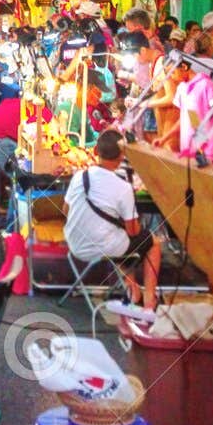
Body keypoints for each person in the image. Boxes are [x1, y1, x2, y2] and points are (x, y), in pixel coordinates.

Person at [64, 130, 161, 311]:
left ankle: (133, 289)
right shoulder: (123, 188)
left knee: (119, 238)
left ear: (96, 152)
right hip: (101, 247)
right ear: (122, 156)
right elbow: (134, 231)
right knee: (152, 243)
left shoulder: (79, 177)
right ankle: (149, 300)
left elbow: (65, 211)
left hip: (74, 242)